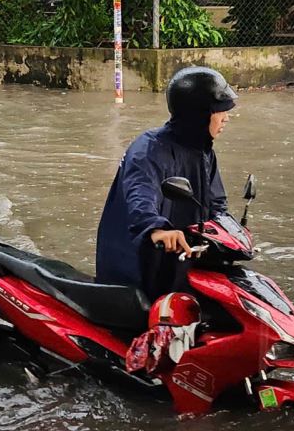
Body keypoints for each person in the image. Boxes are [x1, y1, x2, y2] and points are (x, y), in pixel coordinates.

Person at [96, 66, 234, 299]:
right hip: (139, 262)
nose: (226, 118)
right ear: (199, 114)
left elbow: (215, 202)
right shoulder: (148, 150)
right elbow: (140, 194)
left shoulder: (202, 151)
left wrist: (229, 231)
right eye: (220, 111)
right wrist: (155, 227)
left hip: (180, 255)